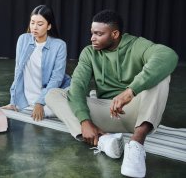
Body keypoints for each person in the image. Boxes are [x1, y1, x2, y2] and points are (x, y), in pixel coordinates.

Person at [46, 10, 178, 178]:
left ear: (115, 34)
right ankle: (104, 140)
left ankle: (136, 145)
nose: (92, 38)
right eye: (92, 33)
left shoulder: (135, 45)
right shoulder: (89, 52)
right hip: (106, 113)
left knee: (161, 76)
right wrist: (84, 120)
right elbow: (77, 87)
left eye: (99, 34)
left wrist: (130, 91)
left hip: (137, 114)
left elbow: (168, 55)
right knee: (54, 94)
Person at [2, 5, 71, 121]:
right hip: (27, 99)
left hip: (51, 96)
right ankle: (28, 106)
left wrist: (40, 102)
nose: (34, 27)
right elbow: (18, 72)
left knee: (60, 109)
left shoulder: (59, 45)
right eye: (32, 22)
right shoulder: (23, 39)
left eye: (40, 24)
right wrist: (13, 101)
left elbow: (57, 79)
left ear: (49, 26)